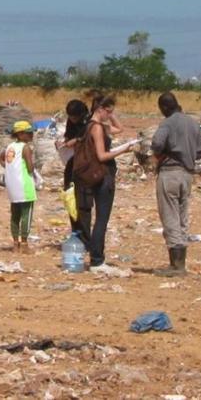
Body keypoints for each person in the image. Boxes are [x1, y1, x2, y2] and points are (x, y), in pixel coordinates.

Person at [150, 91, 201, 277]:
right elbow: (199, 152)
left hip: (170, 173)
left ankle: (176, 265)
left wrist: (164, 152)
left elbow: (156, 144)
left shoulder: (167, 123)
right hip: (187, 174)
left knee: (170, 217)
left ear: (164, 107)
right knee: (182, 217)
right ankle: (181, 262)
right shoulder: (192, 123)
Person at [78, 95, 123, 273]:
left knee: (100, 219)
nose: (110, 115)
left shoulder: (91, 125)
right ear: (100, 109)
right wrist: (122, 150)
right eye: (108, 111)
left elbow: (120, 128)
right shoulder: (96, 128)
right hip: (102, 175)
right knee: (101, 220)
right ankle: (97, 260)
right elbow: (102, 156)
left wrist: (111, 114)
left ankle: (97, 258)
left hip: (94, 176)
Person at [0, 120, 37, 254]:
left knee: (15, 215)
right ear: (21, 134)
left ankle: (15, 244)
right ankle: (25, 244)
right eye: (29, 132)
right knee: (26, 215)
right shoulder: (25, 147)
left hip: (12, 185)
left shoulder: (9, 147)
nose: (31, 135)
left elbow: (0, 158)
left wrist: (10, 169)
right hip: (25, 185)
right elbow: (30, 167)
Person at [57, 99, 89, 236]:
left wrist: (77, 140)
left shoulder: (90, 122)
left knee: (83, 201)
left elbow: (89, 137)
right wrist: (64, 143)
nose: (72, 119)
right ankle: (75, 230)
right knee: (70, 196)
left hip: (87, 163)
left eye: (75, 117)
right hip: (73, 160)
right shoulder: (71, 122)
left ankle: (85, 234)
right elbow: (69, 136)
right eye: (70, 117)